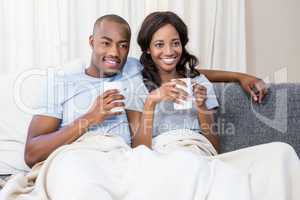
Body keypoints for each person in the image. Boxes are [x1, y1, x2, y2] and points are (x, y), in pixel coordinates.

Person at [24, 14, 267, 168]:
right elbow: (32, 154)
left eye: (122, 46)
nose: (114, 53)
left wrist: (239, 76)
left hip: (124, 161)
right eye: (105, 43)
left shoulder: (132, 69)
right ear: (91, 42)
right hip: (81, 156)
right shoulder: (61, 82)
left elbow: (181, 70)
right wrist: (90, 118)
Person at [125, 11, 300, 200]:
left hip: (202, 154)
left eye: (175, 43)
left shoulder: (198, 81)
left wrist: (202, 108)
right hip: (165, 155)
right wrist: (152, 101)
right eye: (159, 44)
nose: (169, 51)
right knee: (186, 162)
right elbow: (138, 150)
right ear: (148, 49)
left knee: (281, 152)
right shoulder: (136, 83)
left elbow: (214, 147)